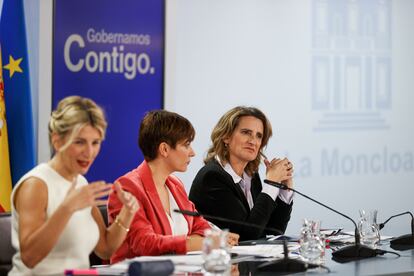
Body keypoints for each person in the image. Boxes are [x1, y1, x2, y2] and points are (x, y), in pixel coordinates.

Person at [9, 96, 139, 275]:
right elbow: (29, 258)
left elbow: (106, 248)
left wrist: (127, 212)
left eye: (95, 143)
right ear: (57, 141)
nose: (89, 152)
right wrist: (67, 208)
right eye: (79, 142)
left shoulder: (80, 182)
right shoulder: (36, 185)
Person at [108, 110, 238, 263]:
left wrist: (211, 238)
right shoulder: (128, 188)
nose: (192, 153)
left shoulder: (175, 184)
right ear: (164, 149)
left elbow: (200, 225)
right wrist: (196, 243)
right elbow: (144, 244)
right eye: (186, 145)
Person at [189, 106, 294, 241]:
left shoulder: (251, 175)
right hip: (220, 259)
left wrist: (285, 189)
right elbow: (246, 236)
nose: (253, 141)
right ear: (226, 136)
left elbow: (273, 230)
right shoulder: (212, 177)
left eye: (258, 136)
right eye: (246, 132)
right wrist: (271, 184)